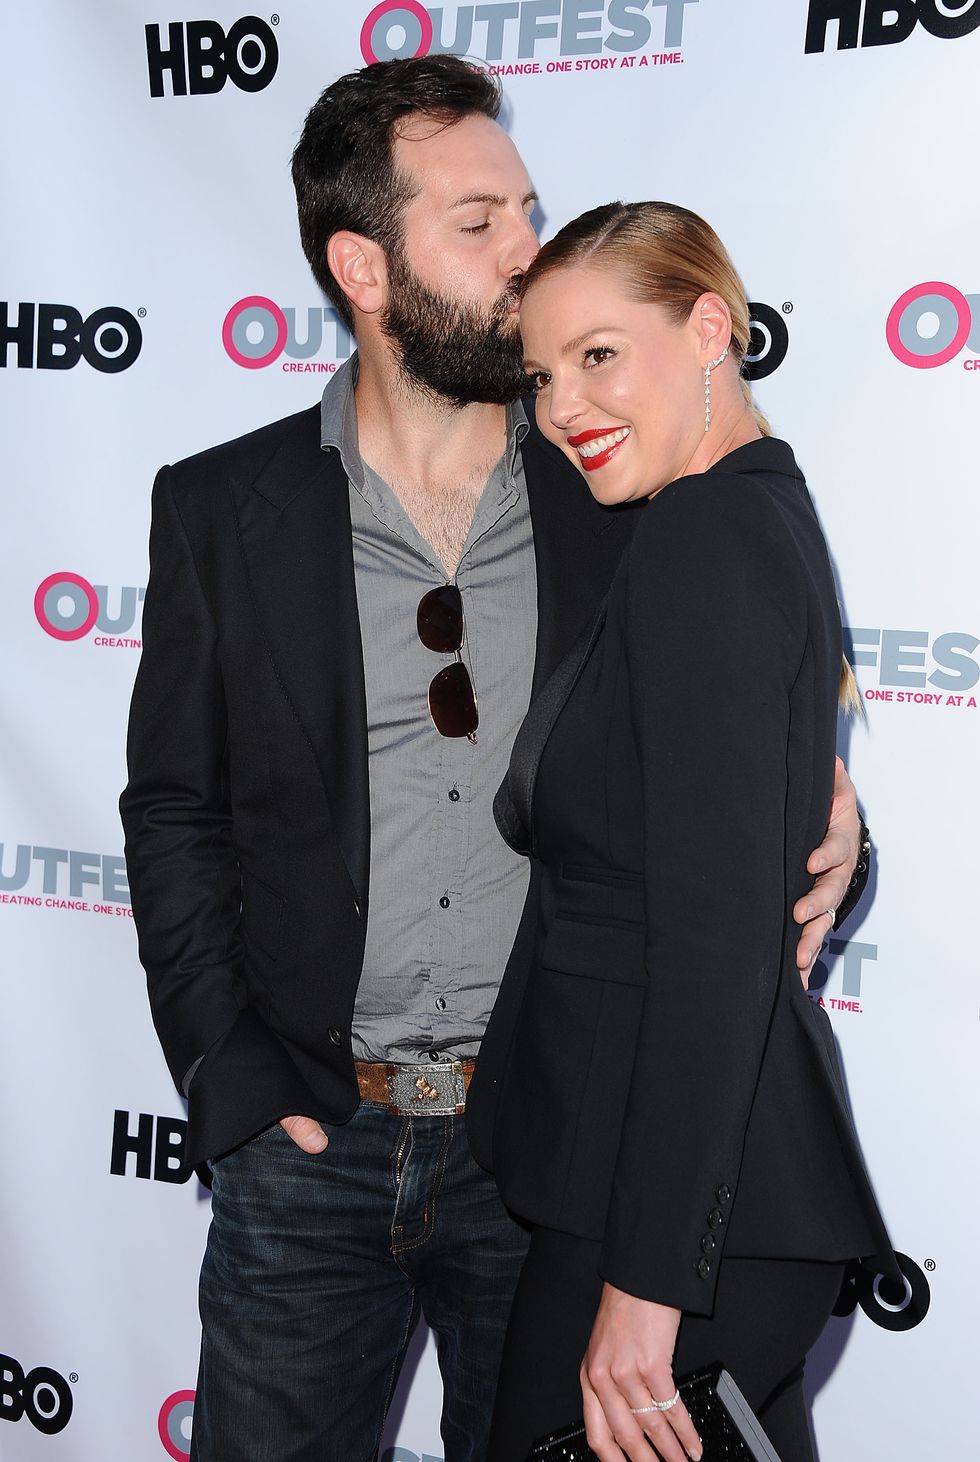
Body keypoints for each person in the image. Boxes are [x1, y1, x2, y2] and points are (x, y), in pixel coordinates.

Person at [120, 60, 870, 1462]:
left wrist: (830, 822)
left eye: (527, 208)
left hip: (548, 1145)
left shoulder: (622, 482)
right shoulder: (222, 507)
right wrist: (228, 1069)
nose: (528, 248)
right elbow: (174, 804)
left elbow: (715, 737)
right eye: (480, 221)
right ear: (364, 262)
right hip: (312, 1142)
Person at [466, 201, 895, 1462]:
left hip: (671, 1225)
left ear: (710, 325)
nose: (560, 404)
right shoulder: (741, 510)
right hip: (688, 1197)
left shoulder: (703, 536)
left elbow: (713, 946)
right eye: (541, 373)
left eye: (598, 354)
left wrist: (646, 1290)